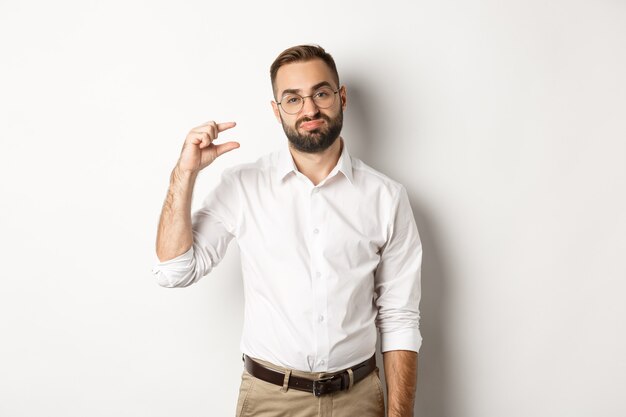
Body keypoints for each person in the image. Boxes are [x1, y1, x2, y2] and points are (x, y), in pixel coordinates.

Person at [152, 44, 423, 417]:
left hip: (359, 399)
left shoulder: (386, 197)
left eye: (321, 93)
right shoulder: (243, 187)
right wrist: (184, 174)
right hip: (270, 400)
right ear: (276, 111)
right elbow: (174, 271)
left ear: (341, 97)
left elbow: (399, 318)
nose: (309, 109)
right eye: (293, 99)